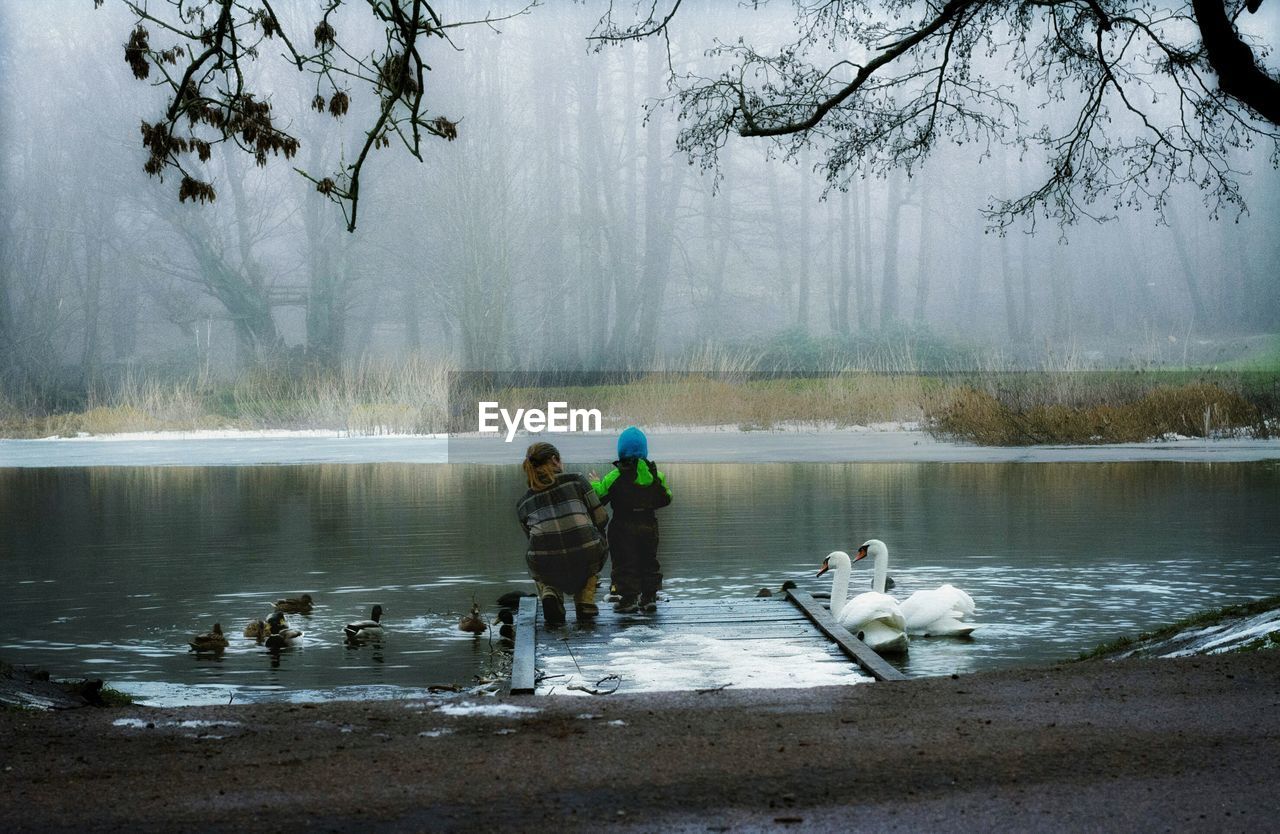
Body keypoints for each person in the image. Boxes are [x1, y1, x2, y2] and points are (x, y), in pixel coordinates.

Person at [516, 442, 609, 627]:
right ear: (554, 460)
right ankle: (585, 599)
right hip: (586, 555)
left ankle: (550, 592)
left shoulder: (523, 503)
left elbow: (532, 539)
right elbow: (601, 518)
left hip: (547, 563)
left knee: (541, 553)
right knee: (598, 539)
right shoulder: (577, 480)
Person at [591, 426, 672, 613]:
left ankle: (629, 599)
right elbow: (666, 498)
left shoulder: (616, 476)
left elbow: (599, 497)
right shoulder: (655, 475)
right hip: (649, 525)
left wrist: (595, 482)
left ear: (621, 452)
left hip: (622, 526)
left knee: (624, 561)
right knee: (649, 560)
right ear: (645, 451)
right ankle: (649, 596)